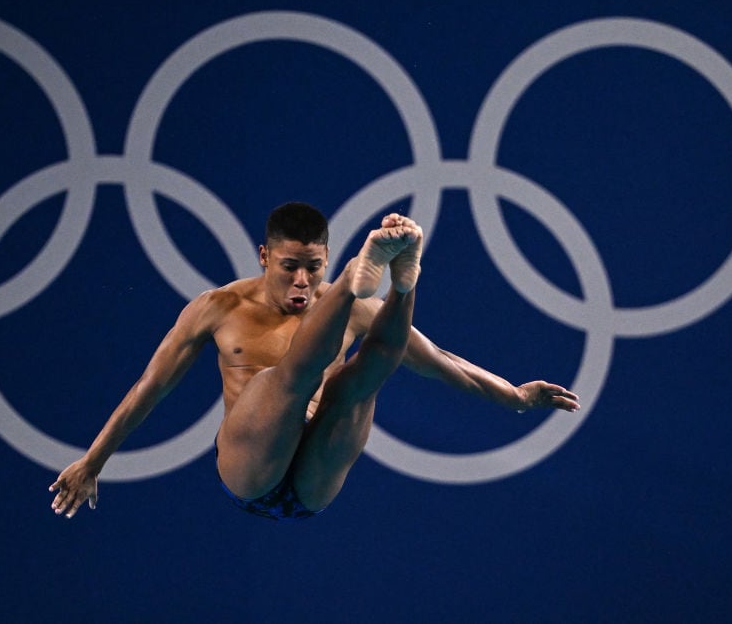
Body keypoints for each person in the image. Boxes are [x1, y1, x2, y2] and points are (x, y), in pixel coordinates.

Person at [50, 203, 579, 521]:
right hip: (250, 468)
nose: (301, 282)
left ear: (325, 259)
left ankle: (405, 283)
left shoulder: (351, 311)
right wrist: (94, 461)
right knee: (283, 379)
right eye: (288, 267)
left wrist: (513, 395)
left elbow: (437, 359)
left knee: (363, 377)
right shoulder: (219, 308)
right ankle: (355, 278)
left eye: (314, 268)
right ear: (264, 256)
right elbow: (151, 385)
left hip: (314, 481)